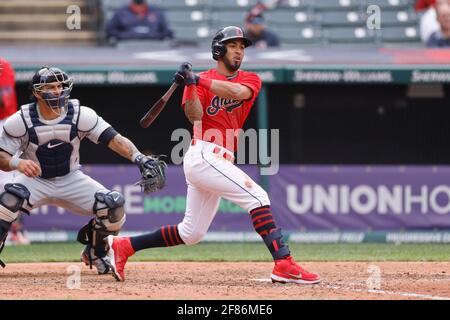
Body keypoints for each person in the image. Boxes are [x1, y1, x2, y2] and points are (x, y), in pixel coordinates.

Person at [106, 26, 321, 285]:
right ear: (219, 49)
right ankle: (284, 263)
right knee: (258, 197)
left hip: (220, 159)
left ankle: (125, 245)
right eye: (233, 46)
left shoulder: (250, 79)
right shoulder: (198, 80)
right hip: (205, 154)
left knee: (191, 232)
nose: (239, 51)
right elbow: (194, 116)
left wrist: (200, 80)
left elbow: (237, 93)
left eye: (242, 47)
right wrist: (191, 85)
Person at [0, 66, 166, 274]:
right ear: (36, 92)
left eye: (60, 86)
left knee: (113, 206)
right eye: (50, 87)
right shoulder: (21, 119)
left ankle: (95, 252)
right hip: (35, 180)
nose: (57, 91)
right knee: (9, 200)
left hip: (71, 178)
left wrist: (139, 157)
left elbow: (114, 139)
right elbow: (1, 156)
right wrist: (17, 163)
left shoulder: (80, 113)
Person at [0, 58, 29, 246]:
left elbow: (5, 100)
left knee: (8, 182)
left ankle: (14, 232)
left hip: (4, 125)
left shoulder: (3, 65)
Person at [105, 0, 173, 43]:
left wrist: (153, 35)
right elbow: (110, 31)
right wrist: (125, 35)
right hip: (126, 45)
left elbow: (167, 32)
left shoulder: (157, 11)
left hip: (155, 45)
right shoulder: (120, 12)